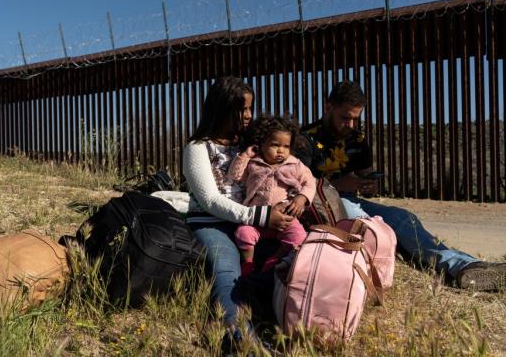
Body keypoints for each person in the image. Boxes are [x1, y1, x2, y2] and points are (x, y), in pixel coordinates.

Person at [294, 80, 506, 291]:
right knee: (366, 220)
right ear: (328, 107)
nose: (350, 125)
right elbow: (298, 185)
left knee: (404, 218)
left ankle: (466, 267)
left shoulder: (357, 139)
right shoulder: (305, 140)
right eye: (345, 118)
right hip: (324, 207)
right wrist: (339, 184)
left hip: (352, 200)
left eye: (355, 119)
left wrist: (368, 184)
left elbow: (364, 174)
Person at [182, 77, 294, 349]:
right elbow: (210, 200)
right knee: (227, 272)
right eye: (242, 109)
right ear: (222, 108)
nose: (248, 116)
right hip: (214, 224)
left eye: (249, 109)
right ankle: (244, 343)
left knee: (287, 263)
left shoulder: (251, 145)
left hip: (253, 224)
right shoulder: (198, 148)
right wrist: (263, 216)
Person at [226, 114, 315, 277]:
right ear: (261, 144)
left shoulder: (295, 165)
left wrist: (301, 198)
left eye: (286, 146)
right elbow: (235, 175)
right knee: (242, 233)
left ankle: (276, 259)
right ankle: (248, 263)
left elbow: (310, 183)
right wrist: (245, 155)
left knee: (299, 236)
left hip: (284, 218)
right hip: (256, 219)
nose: (281, 151)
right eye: (275, 145)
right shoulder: (254, 163)